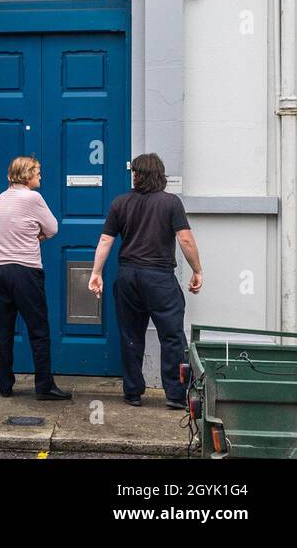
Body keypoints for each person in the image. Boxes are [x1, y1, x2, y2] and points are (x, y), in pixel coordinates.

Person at [88, 152, 202, 409]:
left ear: (139, 175)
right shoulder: (171, 203)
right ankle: (175, 394)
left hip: (128, 277)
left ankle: (133, 392)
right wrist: (197, 270)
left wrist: (96, 273)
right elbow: (185, 239)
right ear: (160, 175)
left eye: (135, 173)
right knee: (172, 336)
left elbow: (106, 240)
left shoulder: (120, 202)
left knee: (131, 335)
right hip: (160, 278)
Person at [0, 156, 72, 401]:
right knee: (38, 329)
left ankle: (4, 384)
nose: (40, 176)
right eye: (38, 172)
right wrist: (40, 236)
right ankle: (44, 386)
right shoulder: (32, 198)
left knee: (2, 329)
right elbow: (53, 228)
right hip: (25, 270)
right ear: (26, 175)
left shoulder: (1, 197)